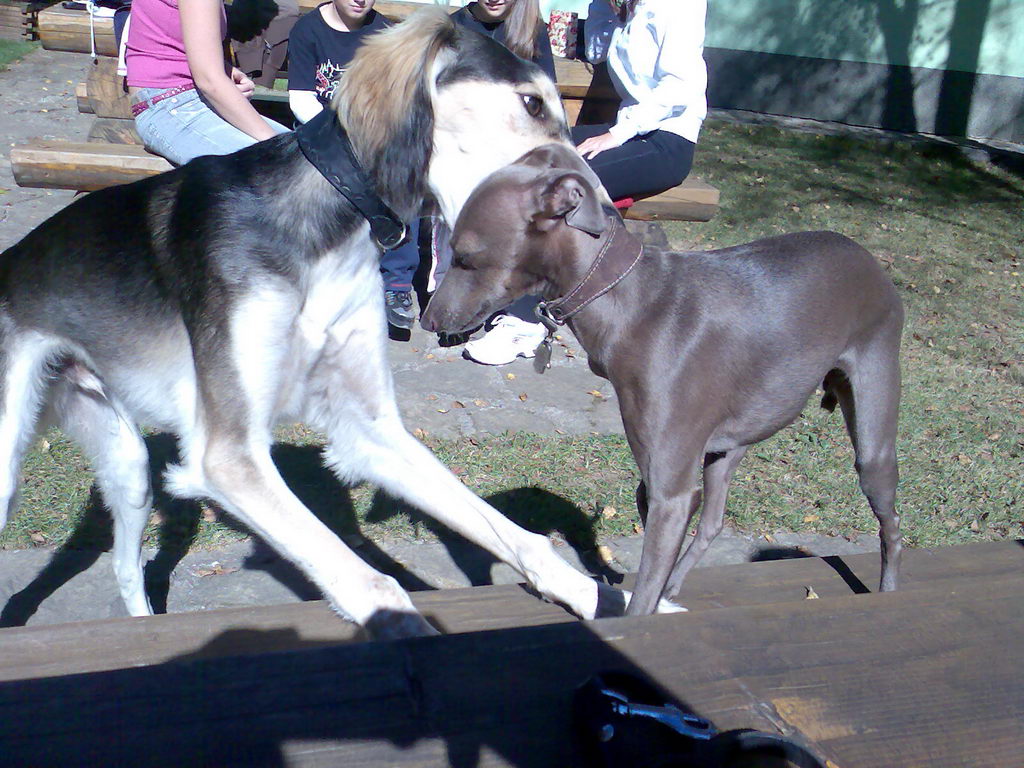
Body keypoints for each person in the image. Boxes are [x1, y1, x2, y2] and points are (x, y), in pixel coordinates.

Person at [463, 0, 708, 365]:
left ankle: (527, 320)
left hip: (665, 140)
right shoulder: (618, 7)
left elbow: (680, 87)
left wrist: (618, 133)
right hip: (631, 130)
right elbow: (599, 51)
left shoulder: (678, 5)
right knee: (533, 150)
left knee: (558, 184)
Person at [288, 0, 419, 330]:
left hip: (372, 138)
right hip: (321, 133)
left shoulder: (387, 35)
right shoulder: (308, 29)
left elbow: (396, 104)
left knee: (404, 176)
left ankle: (397, 285)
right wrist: (339, 135)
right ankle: (312, 280)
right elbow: (301, 98)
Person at [447, 0, 557, 364]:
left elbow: (545, 103)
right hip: (462, 148)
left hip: (517, 149)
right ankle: (460, 298)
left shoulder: (530, 30)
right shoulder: (452, 30)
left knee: (532, 198)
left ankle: (523, 316)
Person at [124, 0, 290, 166]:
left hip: (190, 99)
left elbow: (171, 41)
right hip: (172, 105)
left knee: (304, 158)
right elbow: (209, 81)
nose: (261, 30)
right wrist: (275, 145)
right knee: (283, 167)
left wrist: (225, 71)